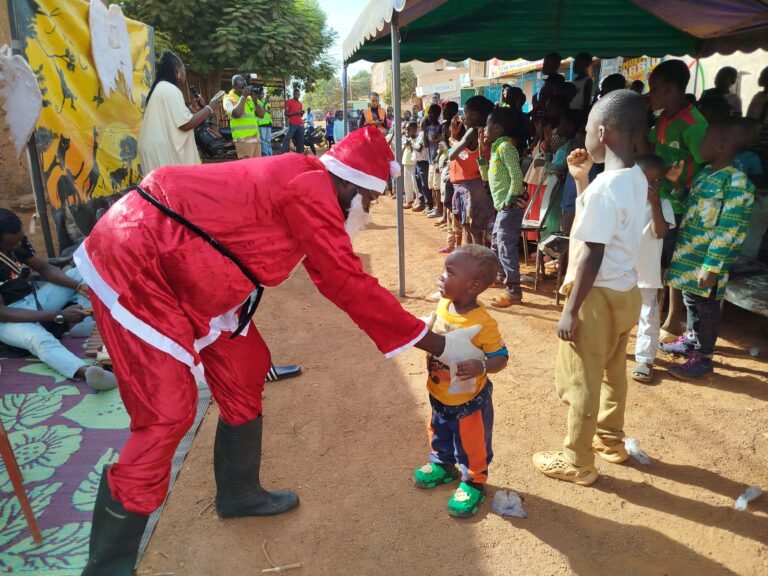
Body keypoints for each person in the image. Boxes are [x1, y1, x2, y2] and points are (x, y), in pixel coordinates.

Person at [76, 126, 485, 575]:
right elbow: (345, 280)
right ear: (350, 184)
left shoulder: (311, 185)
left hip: (188, 270)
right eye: (369, 200)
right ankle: (107, 568)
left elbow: (329, 271)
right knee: (167, 412)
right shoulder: (310, 189)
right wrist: (439, 343)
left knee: (246, 365)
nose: (368, 213)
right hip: (137, 260)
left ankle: (237, 492)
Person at [532, 89, 648, 486]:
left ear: (602, 131)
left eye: (586, 130)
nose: (584, 138)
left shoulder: (605, 189)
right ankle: (610, 442)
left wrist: (570, 310)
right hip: (625, 294)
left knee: (581, 379)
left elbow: (592, 253)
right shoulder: (633, 180)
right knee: (613, 374)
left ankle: (577, 460)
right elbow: (602, 230)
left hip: (595, 299)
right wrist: (582, 181)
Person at [414, 245, 508, 518]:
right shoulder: (444, 303)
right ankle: (443, 465)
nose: (442, 276)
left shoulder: (483, 322)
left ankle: (474, 480)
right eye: (444, 269)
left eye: (450, 272)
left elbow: (501, 357)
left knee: (472, 442)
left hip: (468, 401)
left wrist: (481, 366)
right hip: (440, 391)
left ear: (472, 286)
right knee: (439, 429)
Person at [660, 118, 756, 380]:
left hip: (707, 260)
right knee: (692, 300)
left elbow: (729, 228)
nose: (700, 143)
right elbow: (693, 208)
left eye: (705, 139)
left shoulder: (736, 182)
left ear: (722, 145)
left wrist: (712, 265)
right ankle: (691, 340)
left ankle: (703, 358)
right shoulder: (705, 174)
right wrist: (678, 185)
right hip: (691, 256)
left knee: (708, 305)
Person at [0, 210, 116, 391]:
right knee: (38, 339)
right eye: (12, 244)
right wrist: (58, 315)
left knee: (84, 271)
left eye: (19, 239)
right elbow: (3, 313)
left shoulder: (17, 241)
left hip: (33, 299)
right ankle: (86, 372)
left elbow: (45, 269)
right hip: (8, 317)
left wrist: (77, 286)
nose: (18, 244)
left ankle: (86, 321)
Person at [645, 59, 709, 342]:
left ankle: (672, 321)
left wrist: (681, 181)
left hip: (684, 205)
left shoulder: (694, 124)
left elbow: (708, 164)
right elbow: (650, 147)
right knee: (661, 260)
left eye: (654, 89)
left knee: (673, 262)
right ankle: (662, 317)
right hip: (662, 200)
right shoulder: (663, 119)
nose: (651, 94)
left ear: (670, 89)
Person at [631, 155, 676, 384]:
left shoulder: (663, 205)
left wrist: (655, 203)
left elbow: (660, 232)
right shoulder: (623, 201)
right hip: (621, 271)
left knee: (648, 315)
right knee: (617, 312)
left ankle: (645, 359)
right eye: (643, 180)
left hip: (647, 272)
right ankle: (611, 349)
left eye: (655, 181)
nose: (649, 186)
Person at [138, 52, 221, 174]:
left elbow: (174, 120)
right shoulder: (170, 89)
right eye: (183, 68)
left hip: (154, 148)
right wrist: (210, 107)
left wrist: (193, 110)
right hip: (161, 150)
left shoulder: (161, 88)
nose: (184, 73)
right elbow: (185, 124)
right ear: (177, 70)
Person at [477, 107, 526, 307]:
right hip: (502, 208)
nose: (484, 130)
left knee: (505, 244)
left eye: (487, 126)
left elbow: (517, 176)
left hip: (509, 207)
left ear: (497, 127)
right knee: (497, 241)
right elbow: (484, 176)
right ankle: (501, 276)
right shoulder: (496, 149)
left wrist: (510, 198)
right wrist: (481, 150)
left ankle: (513, 289)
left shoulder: (506, 148)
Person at [448, 96, 495, 245]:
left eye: (465, 112)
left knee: (470, 228)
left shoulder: (472, 133)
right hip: (475, 185)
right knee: (473, 228)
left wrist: (453, 139)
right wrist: (454, 136)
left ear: (474, 114)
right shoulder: (482, 132)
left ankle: (473, 260)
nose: (463, 116)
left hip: (470, 187)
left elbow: (452, 154)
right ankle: (473, 259)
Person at [223, 75, 265, 159]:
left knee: (257, 167)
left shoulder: (249, 99)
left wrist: (256, 102)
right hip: (243, 140)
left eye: (244, 87)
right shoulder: (228, 99)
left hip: (255, 140)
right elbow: (236, 113)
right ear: (233, 86)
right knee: (247, 169)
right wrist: (243, 97)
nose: (243, 89)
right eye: (240, 87)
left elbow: (261, 115)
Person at [413, 116, 432, 213]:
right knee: (419, 183)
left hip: (424, 162)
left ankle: (429, 205)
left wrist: (413, 145)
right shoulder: (420, 134)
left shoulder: (426, 133)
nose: (419, 124)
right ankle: (422, 202)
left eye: (421, 123)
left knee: (425, 185)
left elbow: (420, 147)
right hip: (418, 161)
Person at [281, 88, 305, 154]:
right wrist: (296, 113)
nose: (298, 96)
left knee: (300, 141)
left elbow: (300, 116)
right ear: (294, 94)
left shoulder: (300, 103)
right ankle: (283, 153)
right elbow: (285, 113)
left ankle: (299, 155)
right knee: (287, 138)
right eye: (297, 94)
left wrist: (301, 113)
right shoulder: (289, 102)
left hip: (300, 124)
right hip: (293, 124)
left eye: (299, 95)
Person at [402, 120, 419, 208]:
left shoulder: (417, 139)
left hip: (413, 163)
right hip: (406, 162)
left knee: (415, 183)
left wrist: (411, 145)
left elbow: (417, 151)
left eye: (409, 129)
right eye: (406, 129)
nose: (407, 131)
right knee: (407, 183)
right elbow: (402, 150)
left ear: (415, 129)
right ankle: (409, 200)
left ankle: (418, 201)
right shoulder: (407, 139)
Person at [255, 86, 273, 157]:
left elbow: (268, 111)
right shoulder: (256, 102)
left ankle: (270, 155)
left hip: (268, 123)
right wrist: (265, 104)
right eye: (261, 94)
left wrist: (268, 109)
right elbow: (259, 111)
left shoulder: (264, 101)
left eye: (263, 94)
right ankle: (266, 156)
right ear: (258, 94)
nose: (262, 95)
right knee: (263, 140)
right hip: (261, 123)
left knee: (268, 140)